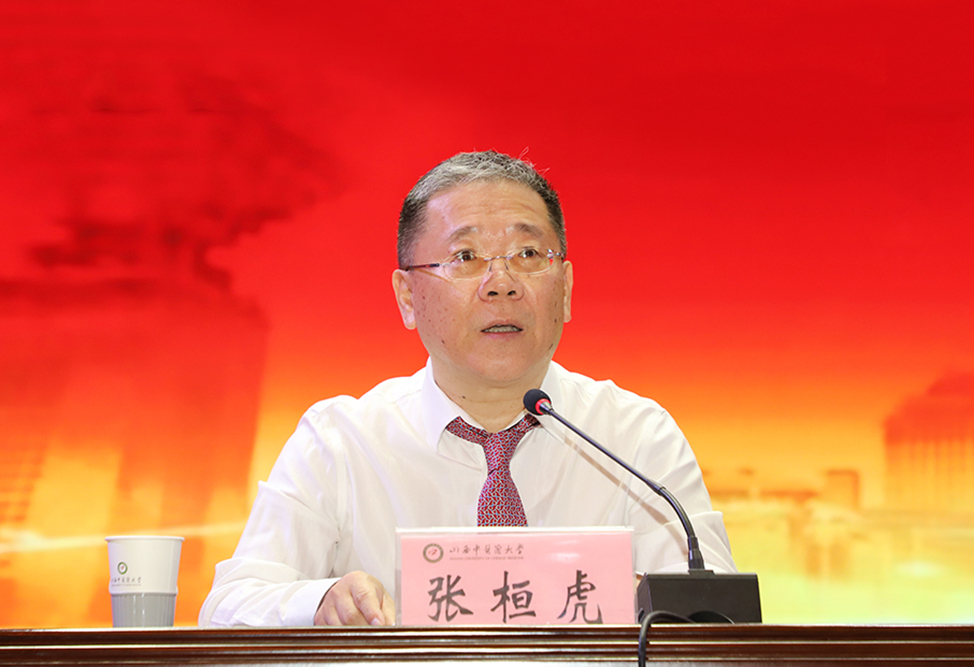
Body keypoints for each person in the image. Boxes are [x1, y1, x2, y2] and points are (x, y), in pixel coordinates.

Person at [199, 150, 736, 627]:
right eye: (465, 258)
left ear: (567, 289)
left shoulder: (636, 437)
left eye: (529, 255)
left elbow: (719, 621)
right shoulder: (340, 442)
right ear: (407, 297)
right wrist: (320, 601)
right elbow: (230, 607)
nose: (501, 283)